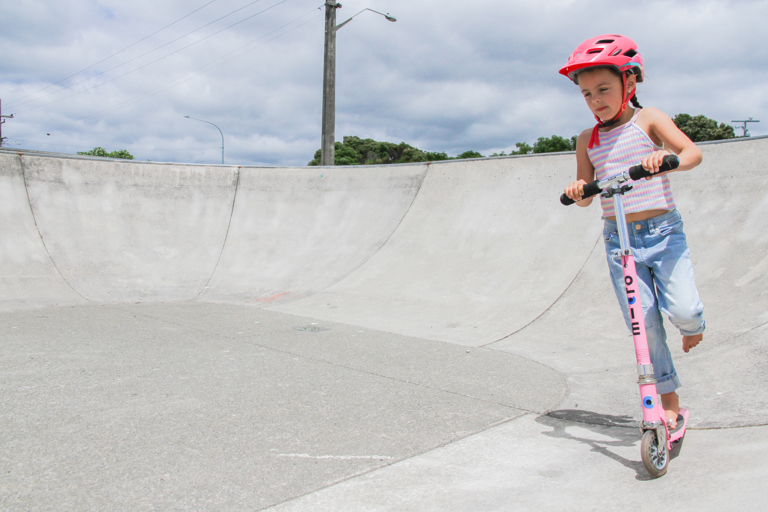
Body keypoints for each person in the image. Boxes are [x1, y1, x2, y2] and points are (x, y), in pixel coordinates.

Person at [560, 34, 705, 428]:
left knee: (684, 310)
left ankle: (693, 327)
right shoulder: (586, 140)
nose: (596, 100)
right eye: (587, 94)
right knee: (643, 323)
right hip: (618, 239)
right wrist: (578, 191)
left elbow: (693, 153)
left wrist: (666, 158)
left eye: (603, 89)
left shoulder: (650, 119)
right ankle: (668, 399)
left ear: (630, 83)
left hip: (663, 232)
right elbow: (588, 195)